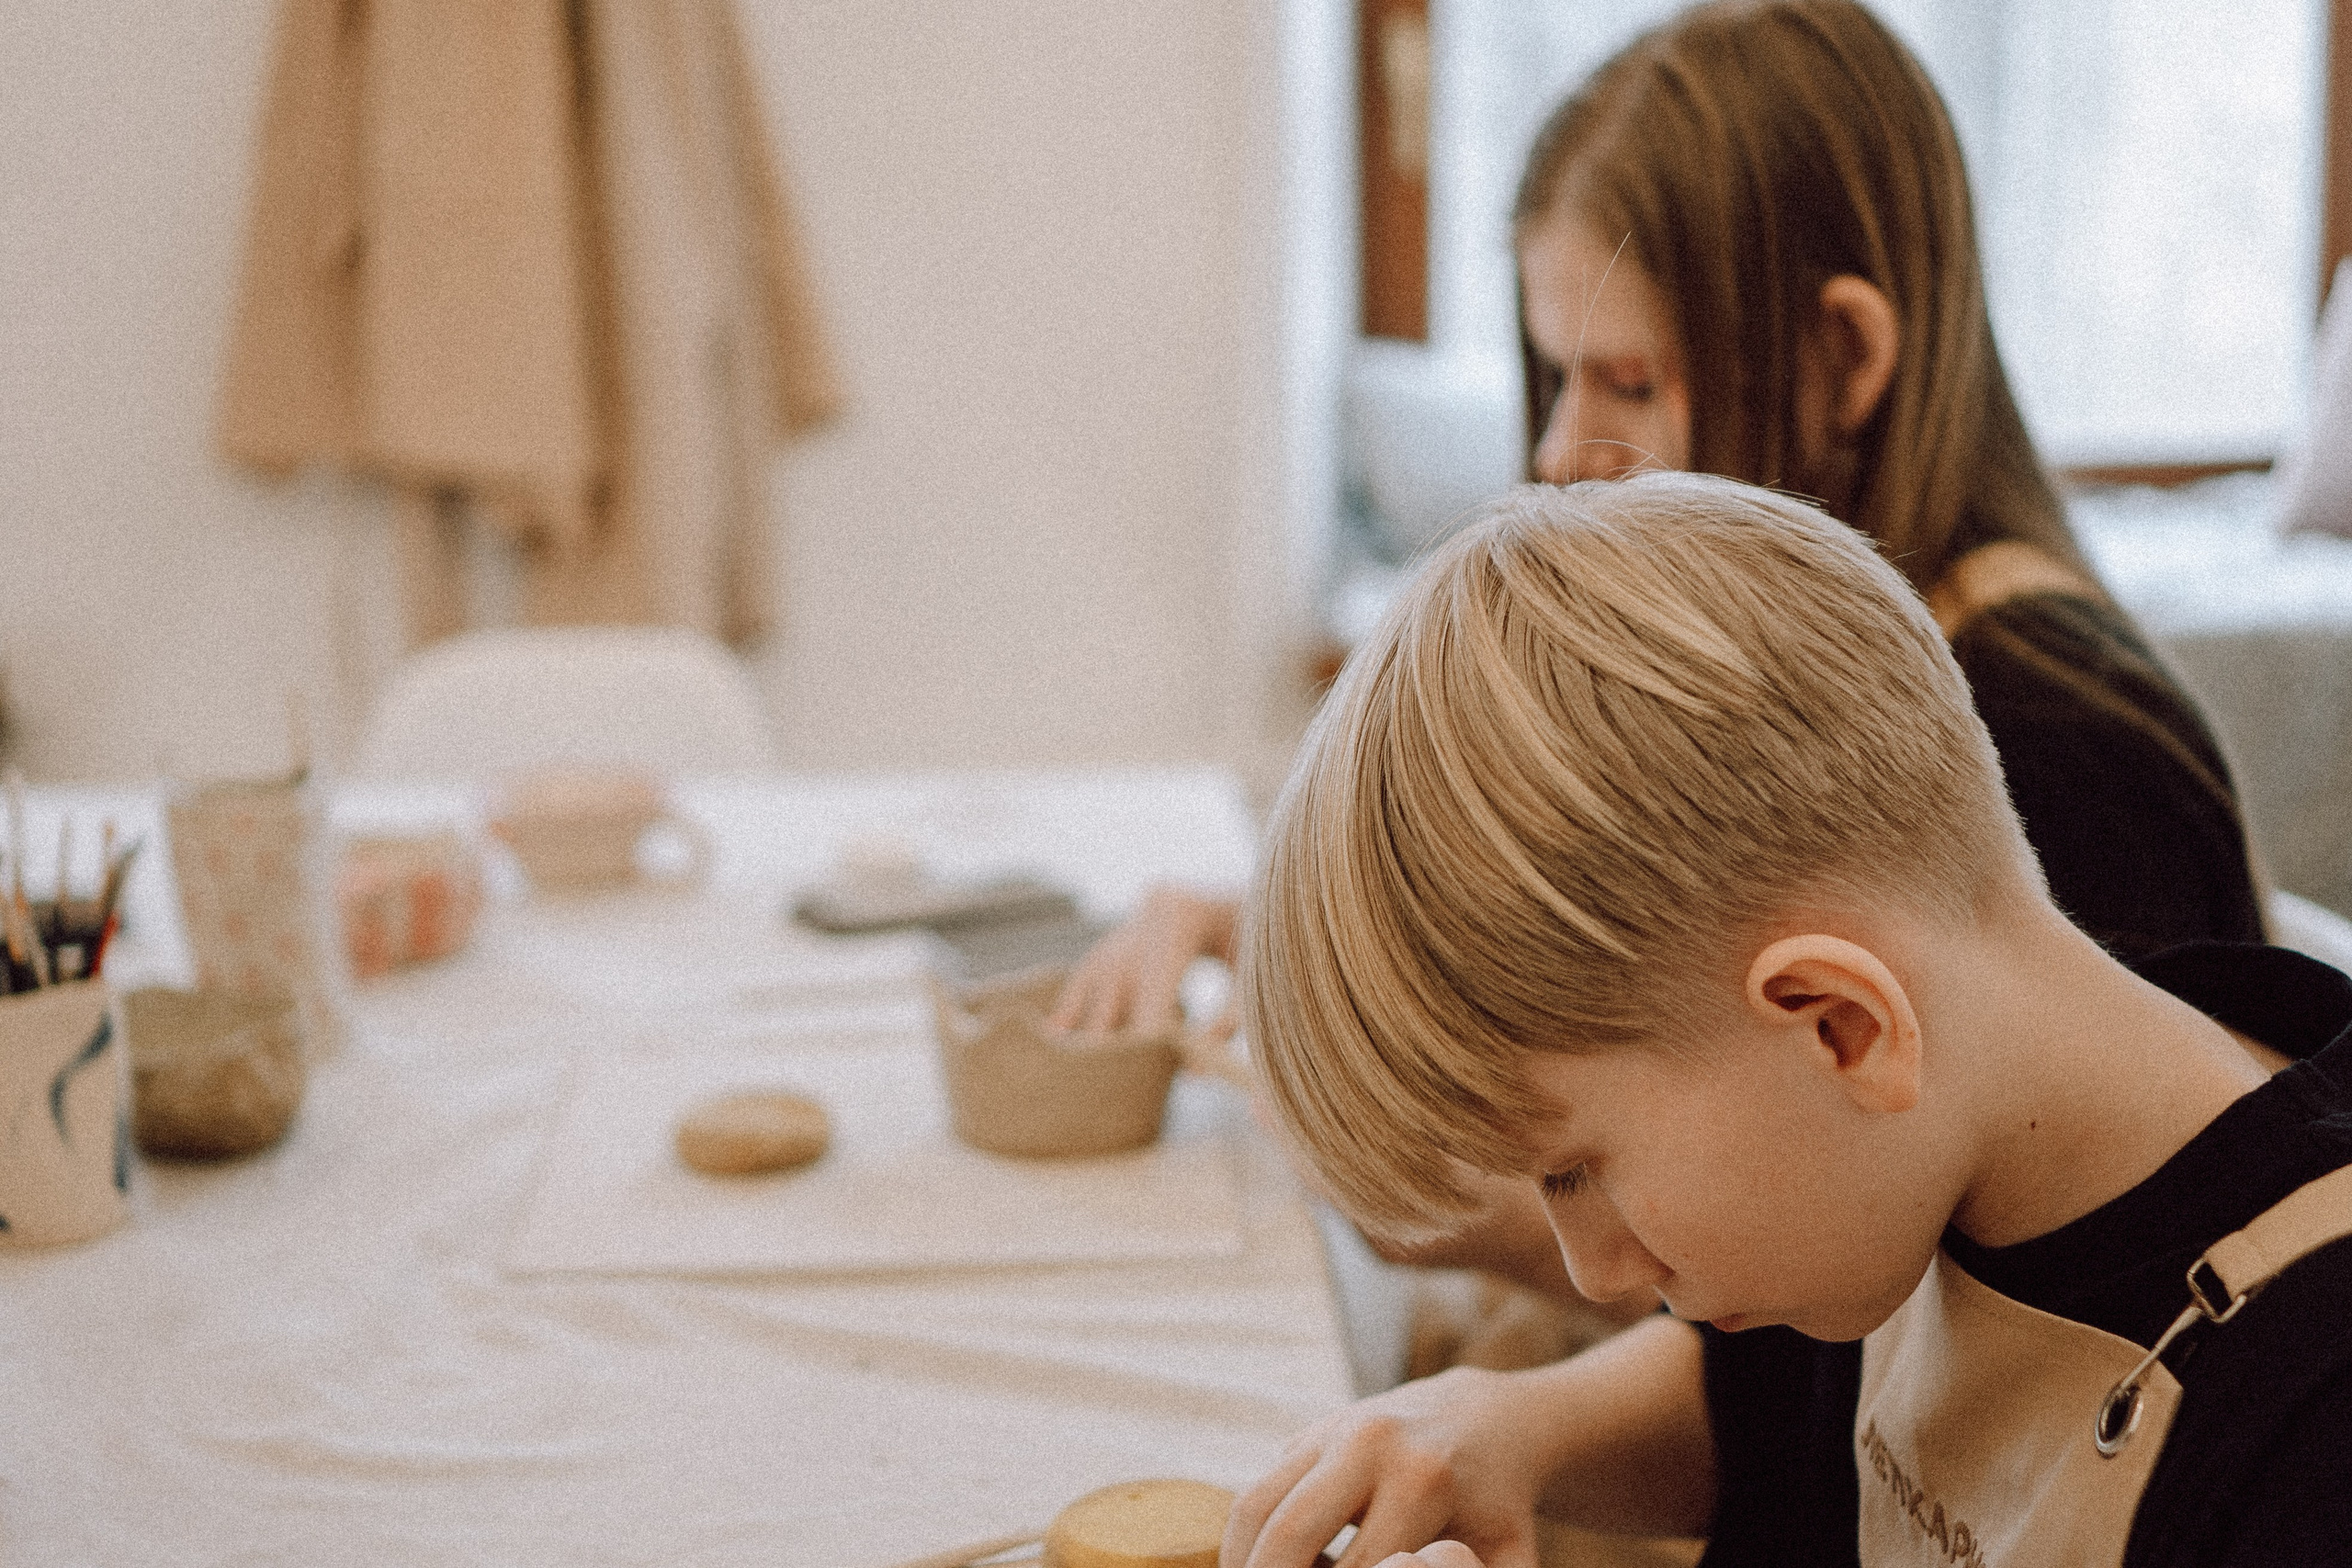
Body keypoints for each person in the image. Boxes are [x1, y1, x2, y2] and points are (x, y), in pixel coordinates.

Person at [1059, 4, 2273, 1553]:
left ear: (1842, 355)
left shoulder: (2066, 773)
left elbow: (1820, 1299)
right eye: (1555, 376)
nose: (1565, 447)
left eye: (1625, 382)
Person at [1220, 473, 2352, 1568]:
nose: (1596, 1271)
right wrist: (1516, 1429)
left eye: (1572, 1173)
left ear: (1838, 1026)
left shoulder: (2307, 1419)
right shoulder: (1927, 1150)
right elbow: (1788, 1426)